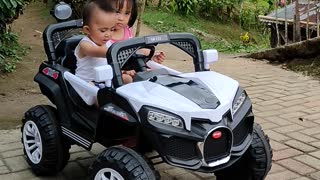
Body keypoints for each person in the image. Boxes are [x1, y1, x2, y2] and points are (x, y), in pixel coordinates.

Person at [74, 0, 133, 85]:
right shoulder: (85, 45)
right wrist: (128, 52)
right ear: (87, 30)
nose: (108, 34)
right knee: (101, 96)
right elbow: (102, 52)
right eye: (103, 30)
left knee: (127, 79)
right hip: (86, 84)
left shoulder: (107, 43)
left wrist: (124, 70)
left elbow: (111, 62)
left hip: (104, 80)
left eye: (112, 29)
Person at [108, 0, 166, 78]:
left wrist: (148, 58)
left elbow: (132, 52)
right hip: (112, 74)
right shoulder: (104, 36)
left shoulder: (127, 29)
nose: (121, 18)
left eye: (126, 13)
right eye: (117, 12)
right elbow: (102, 61)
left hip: (130, 69)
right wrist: (124, 71)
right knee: (128, 79)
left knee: (158, 75)